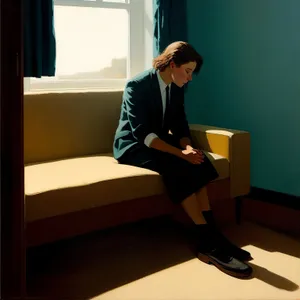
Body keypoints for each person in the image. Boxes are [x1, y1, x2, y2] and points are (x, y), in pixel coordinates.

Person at [113, 41, 252, 278]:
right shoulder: (137, 86)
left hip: (158, 142)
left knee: (199, 161)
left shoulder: (176, 86)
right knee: (178, 165)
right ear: (172, 63)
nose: (189, 78)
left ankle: (212, 233)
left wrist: (188, 148)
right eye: (187, 71)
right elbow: (143, 134)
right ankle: (205, 240)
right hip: (134, 146)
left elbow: (179, 124)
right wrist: (180, 154)